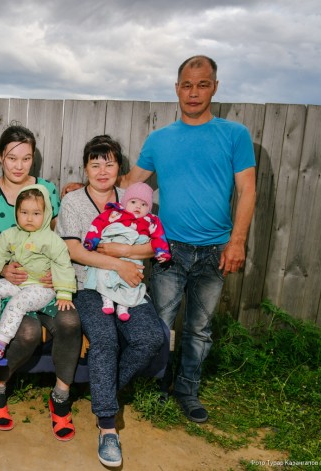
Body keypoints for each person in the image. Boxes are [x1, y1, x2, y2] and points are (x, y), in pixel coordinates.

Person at [121, 55, 256, 424]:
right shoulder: (159, 139)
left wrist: (237, 241)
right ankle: (157, 385)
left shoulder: (235, 135)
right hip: (169, 249)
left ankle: (187, 390)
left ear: (215, 87)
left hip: (216, 250)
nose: (194, 92)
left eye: (202, 84)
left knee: (199, 328)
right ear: (177, 88)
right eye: (187, 85)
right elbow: (130, 184)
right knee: (161, 322)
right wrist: (86, 186)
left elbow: (247, 190)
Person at [58, 134, 165, 467]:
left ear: (120, 168)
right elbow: (74, 250)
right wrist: (118, 263)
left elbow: (155, 243)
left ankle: (104, 388)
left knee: (151, 337)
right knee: (105, 340)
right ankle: (107, 426)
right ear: (85, 168)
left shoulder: (131, 198)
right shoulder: (73, 201)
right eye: (95, 164)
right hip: (88, 287)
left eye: (109, 163)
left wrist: (123, 251)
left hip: (129, 286)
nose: (102, 171)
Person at [0, 124, 81, 443]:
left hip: (46, 284)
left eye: (26, 158)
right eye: (12, 158)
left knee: (70, 322)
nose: (19, 165)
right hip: (9, 281)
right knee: (29, 332)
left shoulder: (47, 190)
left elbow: (57, 239)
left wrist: (57, 278)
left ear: (33, 158)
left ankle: (61, 397)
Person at [0, 184, 76, 366]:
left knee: (18, 302)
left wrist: (64, 293)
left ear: (46, 214)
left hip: (41, 288)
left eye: (36, 213)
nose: (29, 218)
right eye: (24, 212)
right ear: (16, 212)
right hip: (18, 283)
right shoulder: (9, 235)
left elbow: (63, 265)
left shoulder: (52, 240)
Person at [82, 182, 171, 321]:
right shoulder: (115, 213)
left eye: (143, 204)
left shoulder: (151, 220)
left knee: (132, 281)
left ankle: (123, 306)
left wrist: (162, 252)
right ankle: (107, 299)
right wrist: (91, 240)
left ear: (149, 208)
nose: (138, 207)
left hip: (132, 257)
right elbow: (98, 224)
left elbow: (159, 237)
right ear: (124, 203)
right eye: (133, 202)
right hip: (110, 254)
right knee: (104, 273)